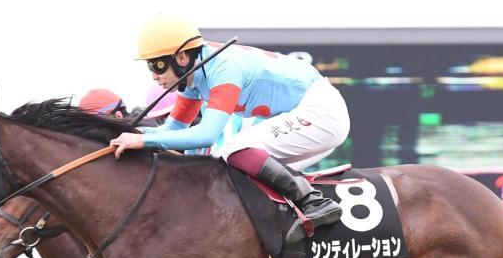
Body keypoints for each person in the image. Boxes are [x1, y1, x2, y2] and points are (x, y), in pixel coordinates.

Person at [109, 14, 350, 244]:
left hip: (321, 111)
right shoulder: (193, 76)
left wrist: (142, 142)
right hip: (300, 114)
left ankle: (313, 202)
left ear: (181, 57)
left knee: (232, 149)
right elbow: (174, 128)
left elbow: (207, 134)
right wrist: (134, 135)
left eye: (156, 64)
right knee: (233, 173)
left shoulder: (224, 67)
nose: (153, 75)